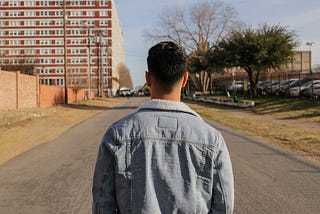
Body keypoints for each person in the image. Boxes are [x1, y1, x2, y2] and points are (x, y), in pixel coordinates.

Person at [92, 41, 234, 213]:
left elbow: (102, 205)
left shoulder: (117, 134)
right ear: (185, 79)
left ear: (148, 79)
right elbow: (224, 206)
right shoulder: (212, 139)